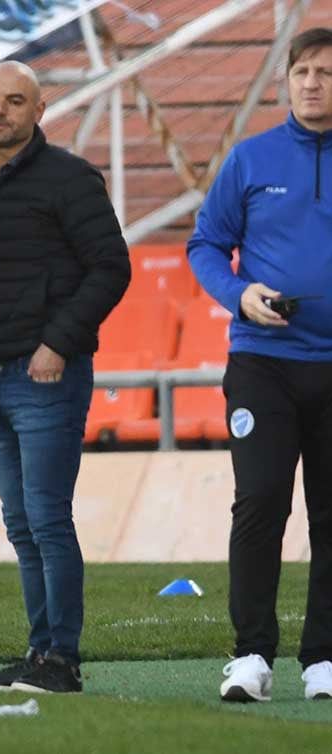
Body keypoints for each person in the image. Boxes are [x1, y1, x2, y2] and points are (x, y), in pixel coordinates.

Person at [0, 61, 129, 695]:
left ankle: (63, 661)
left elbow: (111, 268)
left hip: (46, 377)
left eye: (13, 101)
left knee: (48, 519)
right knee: (21, 523)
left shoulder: (71, 179)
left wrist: (57, 343)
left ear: (39, 110)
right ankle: (39, 652)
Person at [188, 27, 332, 703]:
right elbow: (206, 246)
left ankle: (324, 660)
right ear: (286, 80)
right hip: (263, 362)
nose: (313, 83)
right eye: (303, 70)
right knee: (262, 503)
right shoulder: (250, 159)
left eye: (326, 72)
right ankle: (251, 656)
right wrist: (239, 294)